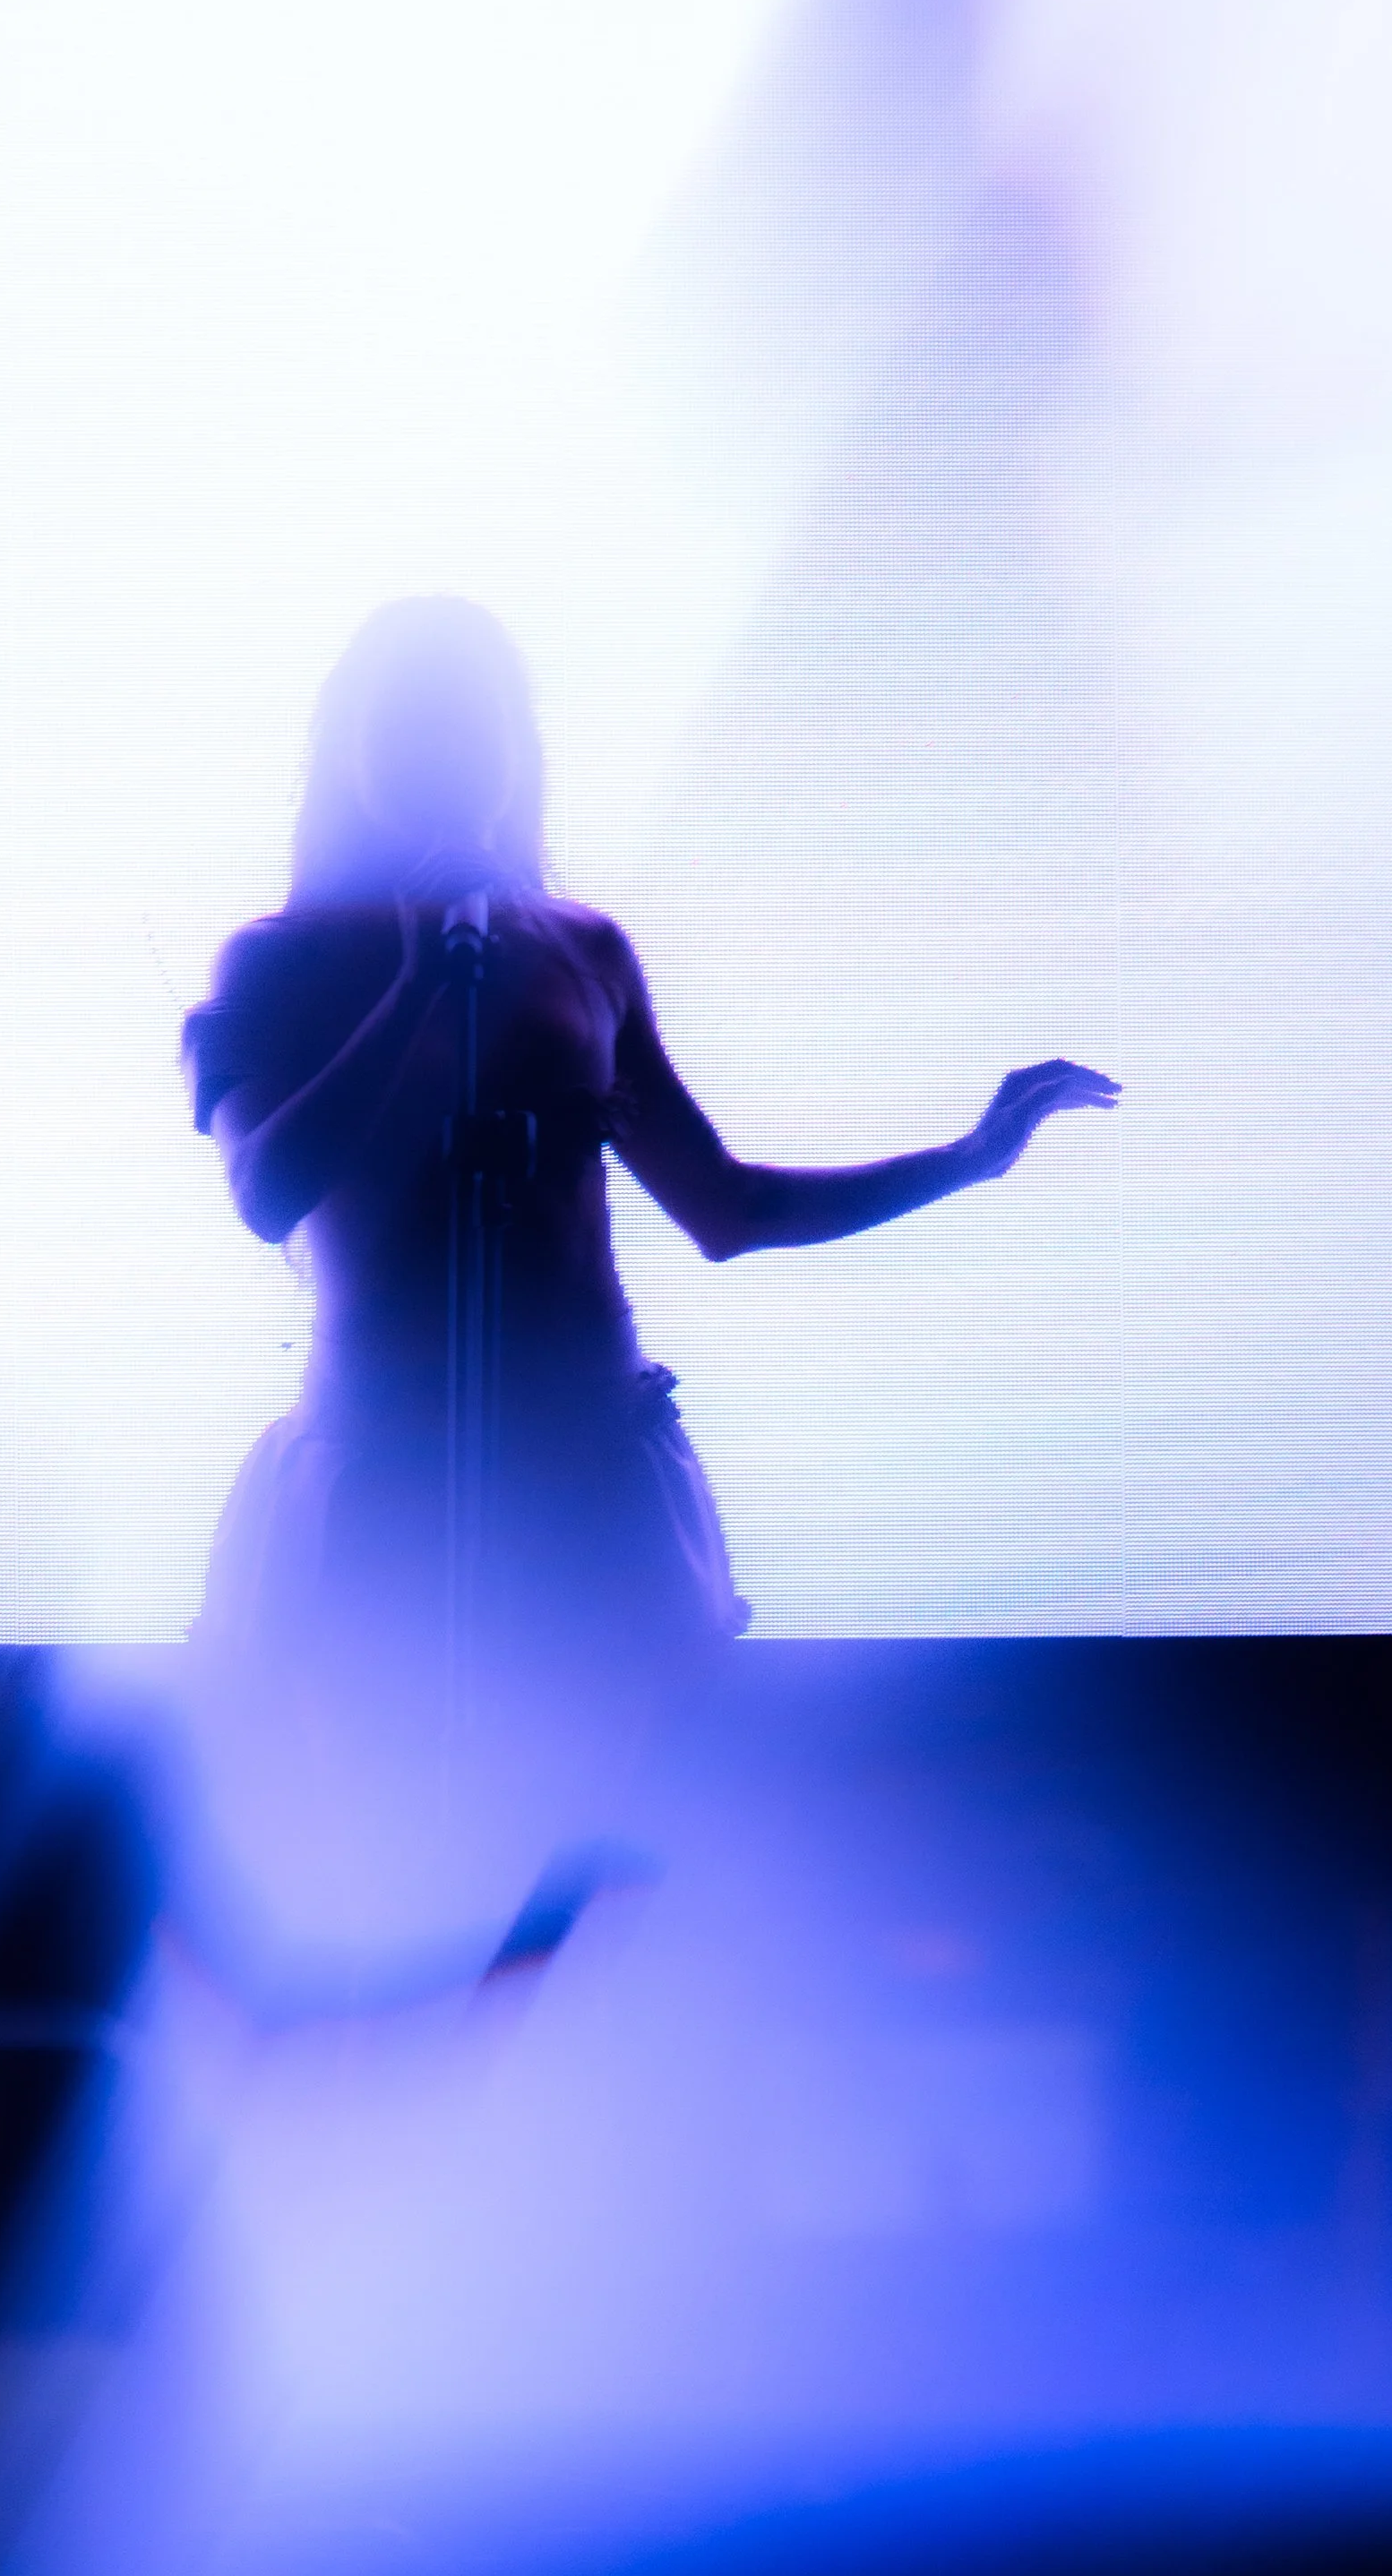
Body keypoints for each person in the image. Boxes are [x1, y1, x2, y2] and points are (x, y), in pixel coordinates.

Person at [184, 595, 1117, 1739]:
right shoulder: (276, 963)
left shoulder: (584, 950)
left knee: (613, 1790)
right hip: (382, 1472)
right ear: (351, 749)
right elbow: (264, 1191)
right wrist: (421, 983)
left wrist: (967, 1159)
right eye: (416, 723)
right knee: (384, 1789)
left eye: (479, 721)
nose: (452, 753)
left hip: (585, 1469)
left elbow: (726, 1208)